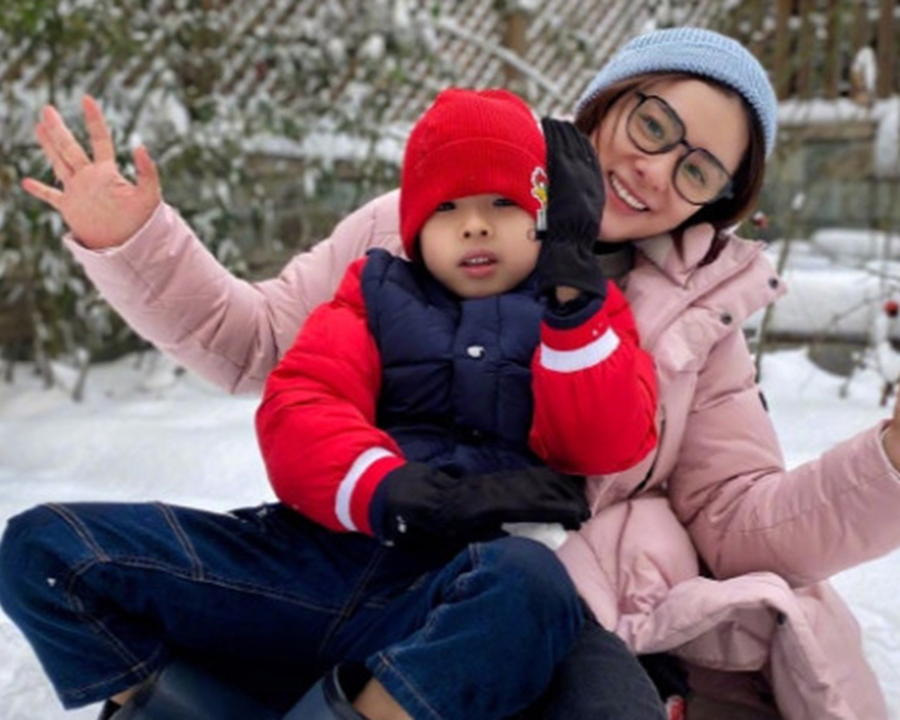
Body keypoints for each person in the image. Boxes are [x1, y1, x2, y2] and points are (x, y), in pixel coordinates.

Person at [4, 26, 900, 720]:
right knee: (56, 559)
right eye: (652, 126)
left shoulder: (697, 322)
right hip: (354, 549)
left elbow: (736, 519)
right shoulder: (418, 225)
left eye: (694, 172)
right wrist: (138, 241)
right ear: (607, 102)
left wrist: (899, 458)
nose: (651, 169)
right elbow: (256, 346)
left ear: (708, 209)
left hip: (546, 597)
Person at [254, 87, 658, 718]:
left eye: (503, 202)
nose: (475, 223)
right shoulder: (377, 288)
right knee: (63, 547)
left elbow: (609, 445)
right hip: (370, 546)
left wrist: (576, 305)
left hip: (532, 580)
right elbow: (301, 400)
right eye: (447, 207)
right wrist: (396, 489)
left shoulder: (586, 306)